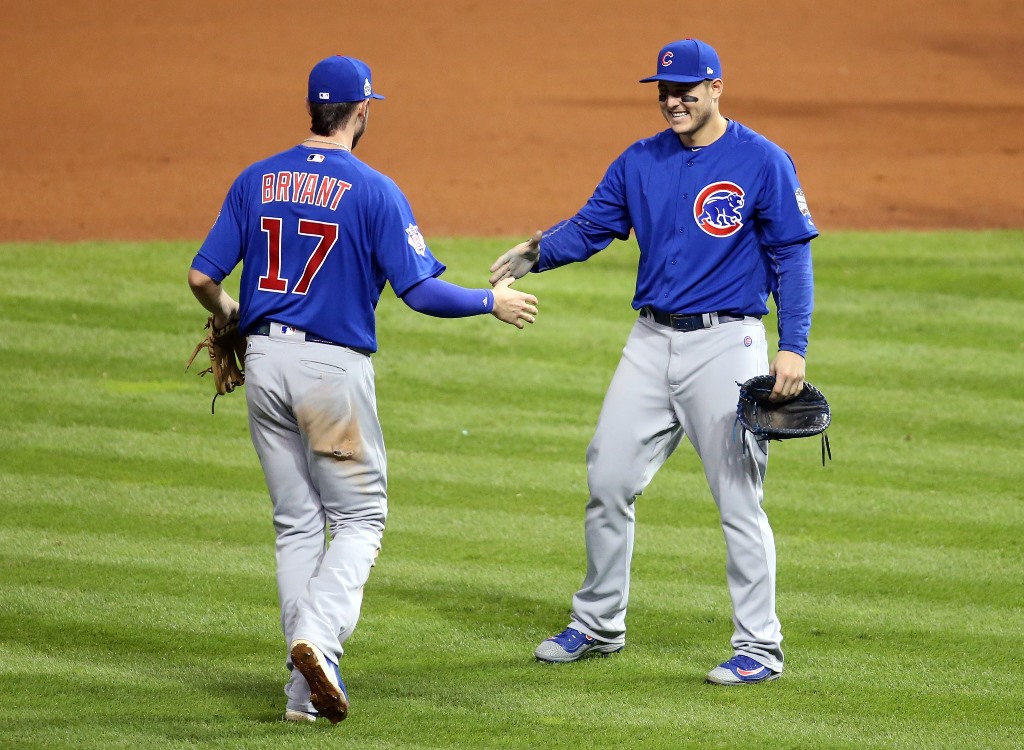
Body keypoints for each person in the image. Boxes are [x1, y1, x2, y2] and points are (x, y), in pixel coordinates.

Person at [188, 54, 539, 723]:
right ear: (361, 110)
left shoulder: (255, 179)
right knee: (358, 518)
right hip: (329, 371)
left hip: (264, 362)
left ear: (312, 109)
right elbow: (420, 291)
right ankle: (317, 641)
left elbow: (202, 278)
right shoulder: (374, 190)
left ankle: (303, 696)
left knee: (296, 523)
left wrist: (233, 319)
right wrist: (488, 302)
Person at [490, 38, 817, 685]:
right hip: (649, 342)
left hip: (728, 343)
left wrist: (793, 343)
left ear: (717, 87)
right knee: (608, 478)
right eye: (665, 91)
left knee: (738, 499)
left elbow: (792, 256)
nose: (674, 101)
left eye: (687, 90)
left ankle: (760, 645)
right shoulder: (640, 161)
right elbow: (591, 226)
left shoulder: (762, 161)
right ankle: (599, 622)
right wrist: (537, 251)